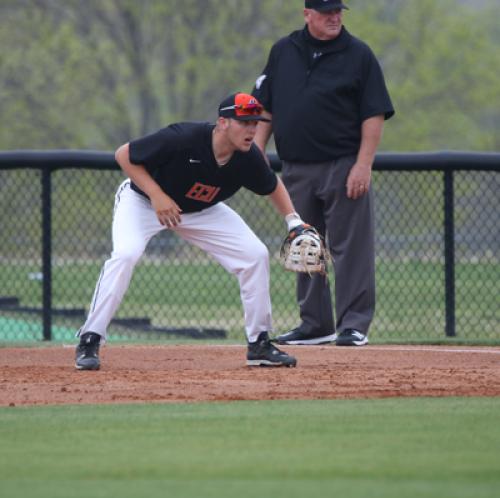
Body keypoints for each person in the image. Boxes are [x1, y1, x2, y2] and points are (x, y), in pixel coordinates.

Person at [75, 92, 307, 370]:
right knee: (125, 255)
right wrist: (157, 195)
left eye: (255, 123)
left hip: (202, 211)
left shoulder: (248, 156)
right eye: (244, 122)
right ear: (223, 122)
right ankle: (90, 337)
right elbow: (124, 155)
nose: (252, 129)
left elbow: (272, 186)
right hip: (143, 202)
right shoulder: (183, 137)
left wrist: (294, 221)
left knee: (255, 255)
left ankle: (258, 343)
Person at [252, 0, 394, 347]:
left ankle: (354, 324)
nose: (334, 17)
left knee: (350, 248)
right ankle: (315, 324)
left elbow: (373, 114)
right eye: (326, 11)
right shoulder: (284, 51)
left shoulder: (358, 54)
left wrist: (363, 164)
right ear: (307, 14)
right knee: (305, 245)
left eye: (338, 11)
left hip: (343, 165)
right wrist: (255, 151)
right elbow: (265, 107)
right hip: (296, 167)